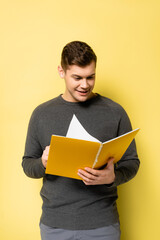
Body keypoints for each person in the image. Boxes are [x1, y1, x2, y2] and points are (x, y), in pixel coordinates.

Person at [22, 41, 140, 240]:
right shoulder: (41, 114)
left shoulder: (115, 112)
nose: (85, 85)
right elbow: (27, 165)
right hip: (55, 225)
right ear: (62, 71)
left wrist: (113, 178)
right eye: (77, 77)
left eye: (90, 77)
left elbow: (132, 162)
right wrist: (43, 162)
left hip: (102, 224)